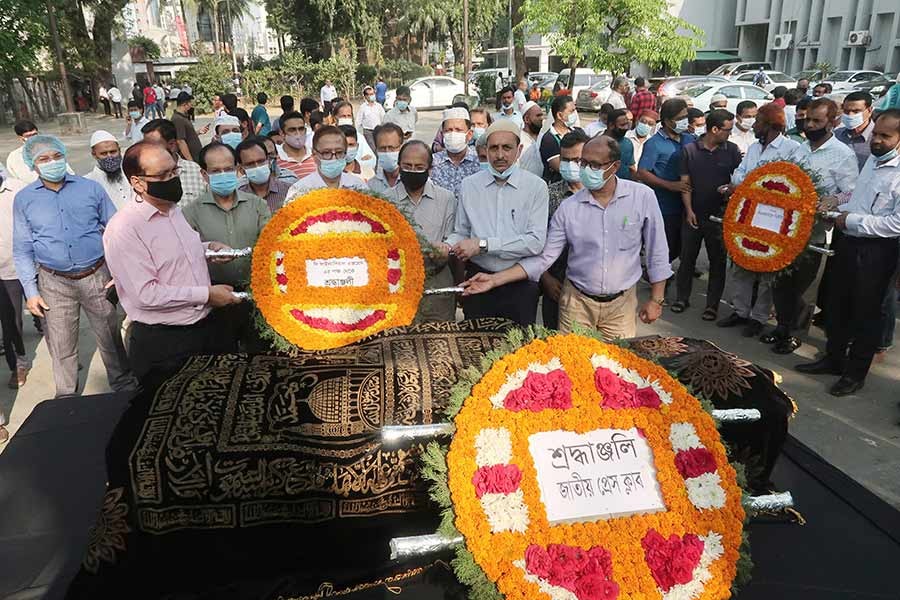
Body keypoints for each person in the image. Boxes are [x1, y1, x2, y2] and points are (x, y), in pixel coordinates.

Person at [463, 135, 670, 338]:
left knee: (615, 366)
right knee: (572, 365)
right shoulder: (569, 207)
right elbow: (544, 258)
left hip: (621, 306)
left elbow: (657, 250)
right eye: (584, 163)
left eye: (595, 165)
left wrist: (656, 299)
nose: (586, 170)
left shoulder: (642, 197)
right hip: (577, 304)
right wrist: (494, 280)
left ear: (614, 167)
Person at [105, 141, 242, 383]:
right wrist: (206, 295)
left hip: (206, 329)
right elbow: (146, 294)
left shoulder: (172, 209)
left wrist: (208, 249)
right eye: (163, 175)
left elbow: (175, 254)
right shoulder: (124, 229)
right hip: (166, 343)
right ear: (137, 182)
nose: (172, 179)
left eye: (174, 171)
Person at [13, 135, 136, 397]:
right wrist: (31, 291)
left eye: (56, 157)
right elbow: (22, 248)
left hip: (96, 275)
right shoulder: (24, 200)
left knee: (110, 339)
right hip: (53, 282)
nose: (52, 163)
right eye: (43, 159)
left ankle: (125, 390)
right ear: (33, 165)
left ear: (64, 156)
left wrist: (120, 272)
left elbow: (115, 232)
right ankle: (66, 398)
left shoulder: (90, 189)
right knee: (62, 345)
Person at [796, 109, 900, 395]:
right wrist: (836, 210)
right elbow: (857, 199)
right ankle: (834, 358)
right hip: (847, 241)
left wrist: (850, 219)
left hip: (878, 251)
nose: (876, 140)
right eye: (876, 134)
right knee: (836, 303)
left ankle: (855, 374)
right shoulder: (873, 162)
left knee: (866, 312)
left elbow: (895, 224)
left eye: (885, 136)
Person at [760, 98, 858, 354]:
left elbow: (851, 191)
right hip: (786, 227)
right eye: (808, 120)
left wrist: (833, 200)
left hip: (815, 232)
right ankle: (781, 326)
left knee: (803, 287)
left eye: (817, 121)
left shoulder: (843, 154)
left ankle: (795, 333)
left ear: (832, 122)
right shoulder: (799, 149)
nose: (810, 125)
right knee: (781, 280)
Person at [445, 119, 549, 325]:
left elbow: (535, 242)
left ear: (519, 150)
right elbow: (462, 231)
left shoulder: (536, 187)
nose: (500, 155)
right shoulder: (469, 185)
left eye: (507, 148)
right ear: (485, 150)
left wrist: (483, 244)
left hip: (518, 283)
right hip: (477, 279)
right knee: (476, 346)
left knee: (519, 350)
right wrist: (447, 245)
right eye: (494, 148)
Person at [718, 103, 800, 337]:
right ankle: (740, 311)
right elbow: (740, 174)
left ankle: (758, 317)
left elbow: (788, 183)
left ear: (771, 125)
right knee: (741, 264)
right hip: (746, 214)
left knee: (766, 269)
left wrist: (750, 187)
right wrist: (746, 187)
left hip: (772, 218)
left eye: (758, 122)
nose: (754, 125)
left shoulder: (791, 149)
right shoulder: (754, 147)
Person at [183, 142, 270, 350]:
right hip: (214, 297)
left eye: (228, 169)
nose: (223, 175)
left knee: (261, 356)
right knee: (222, 356)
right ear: (204, 175)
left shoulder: (257, 205)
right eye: (216, 171)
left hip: (256, 294)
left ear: (238, 170)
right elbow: (186, 255)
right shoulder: (190, 213)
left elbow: (270, 244)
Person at [672, 109, 742, 320]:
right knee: (687, 260)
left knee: (718, 262)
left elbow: (739, 180)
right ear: (714, 129)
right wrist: (689, 210)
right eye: (728, 130)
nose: (730, 133)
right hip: (693, 215)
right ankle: (681, 298)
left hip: (720, 218)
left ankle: (712, 305)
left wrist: (730, 189)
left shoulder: (732, 151)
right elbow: (685, 184)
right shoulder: (690, 150)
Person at [387, 141, 457, 321]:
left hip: (437, 280)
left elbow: (454, 236)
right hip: (397, 282)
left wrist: (445, 248)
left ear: (430, 168)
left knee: (439, 339)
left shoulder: (446, 198)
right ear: (399, 166)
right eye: (407, 166)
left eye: (419, 167)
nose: (412, 171)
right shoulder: (384, 200)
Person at [637, 98, 696, 268]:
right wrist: (669, 185)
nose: (685, 120)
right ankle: (657, 275)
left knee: (681, 245)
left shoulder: (689, 139)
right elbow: (643, 172)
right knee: (665, 246)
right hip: (664, 206)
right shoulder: (654, 144)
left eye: (686, 116)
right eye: (680, 118)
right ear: (668, 121)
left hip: (686, 204)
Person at [541, 130, 588, 329]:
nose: (571, 166)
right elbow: (537, 241)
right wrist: (546, 279)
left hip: (591, 287)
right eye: (566, 160)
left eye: (577, 160)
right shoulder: (549, 194)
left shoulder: (601, 194)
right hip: (557, 283)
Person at [0, 173, 30, 390]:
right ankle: (18, 365)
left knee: (49, 317)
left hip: (32, 263)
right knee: (11, 323)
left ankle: (64, 358)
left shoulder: (18, 189)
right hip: (3, 272)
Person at [285, 125, 368, 198]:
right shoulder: (299, 191)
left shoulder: (358, 186)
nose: (333, 158)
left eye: (339, 152)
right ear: (314, 154)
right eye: (326, 153)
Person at [141, 118, 208, 205]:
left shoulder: (194, 170)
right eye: (146, 146)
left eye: (153, 146)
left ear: (172, 145)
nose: (148, 150)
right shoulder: (144, 175)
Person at [431, 107, 481, 200]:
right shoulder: (432, 162)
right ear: (442, 134)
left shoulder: (479, 161)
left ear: (469, 134)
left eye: (458, 130)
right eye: (448, 130)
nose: (453, 134)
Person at [7, 120, 74, 183]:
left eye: (34, 134)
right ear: (20, 138)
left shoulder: (51, 149)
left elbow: (68, 170)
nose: (33, 138)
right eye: (28, 136)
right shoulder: (14, 157)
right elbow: (15, 181)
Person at [237, 137, 292, 213]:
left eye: (261, 161)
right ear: (241, 169)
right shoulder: (238, 198)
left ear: (269, 162)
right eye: (250, 164)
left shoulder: (289, 191)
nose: (257, 167)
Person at [84, 130, 135, 209]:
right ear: (94, 155)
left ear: (119, 150)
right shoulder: (88, 182)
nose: (109, 157)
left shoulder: (132, 172)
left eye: (113, 152)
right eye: (104, 153)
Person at [541, 95, 579, 184]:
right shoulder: (549, 139)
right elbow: (561, 168)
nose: (575, 114)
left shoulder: (578, 132)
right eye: (572, 111)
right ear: (559, 115)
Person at [835, 91, 875, 170]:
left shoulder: (878, 138)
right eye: (846, 111)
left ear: (869, 111)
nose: (850, 115)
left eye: (856, 111)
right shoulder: (836, 135)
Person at [275, 111, 317, 181]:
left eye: (301, 129)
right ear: (282, 133)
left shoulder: (316, 155)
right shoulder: (276, 160)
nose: (298, 134)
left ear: (306, 130)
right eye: (292, 130)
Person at [368, 122, 406, 195]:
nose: (387, 152)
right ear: (376, 150)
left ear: (401, 148)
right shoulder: (371, 186)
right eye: (382, 148)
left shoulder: (412, 181)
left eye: (392, 148)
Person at [172, 92, 208, 162]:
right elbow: (180, 141)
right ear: (184, 104)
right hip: (191, 158)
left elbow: (187, 135)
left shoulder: (184, 117)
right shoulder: (178, 119)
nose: (191, 106)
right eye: (190, 103)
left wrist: (198, 132)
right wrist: (191, 161)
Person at [605, 109, 636, 180]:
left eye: (626, 124)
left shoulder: (627, 143)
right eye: (622, 125)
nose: (626, 128)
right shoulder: (597, 144)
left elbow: (631, 167)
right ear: (611, 125)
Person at [519, 101, 548, 176]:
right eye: (538, 116)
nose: (542, 118)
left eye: (542, 115)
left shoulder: (545, 138)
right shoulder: (518, 139)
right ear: (527, 119)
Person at [357, 86, 385, 152]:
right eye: (369, 94)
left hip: (378, 131)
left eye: (372, 94)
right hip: (368, 132)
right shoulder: (363, 107)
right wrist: (358, 134)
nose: (371, 96)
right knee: (372, 148)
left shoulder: (378, 106)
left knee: (380, 148)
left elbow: (384, 118)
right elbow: (358, 121)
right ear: (365, 96)